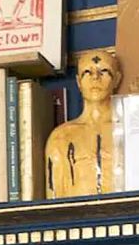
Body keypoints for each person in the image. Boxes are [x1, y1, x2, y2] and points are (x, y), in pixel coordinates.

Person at [45, 50, 122, 199]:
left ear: (117, 79)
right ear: (78, 81)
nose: (95, 78)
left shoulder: (128, 130)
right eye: (87, 72)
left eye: (104, 71)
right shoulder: (62, 136)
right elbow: (54, 197)